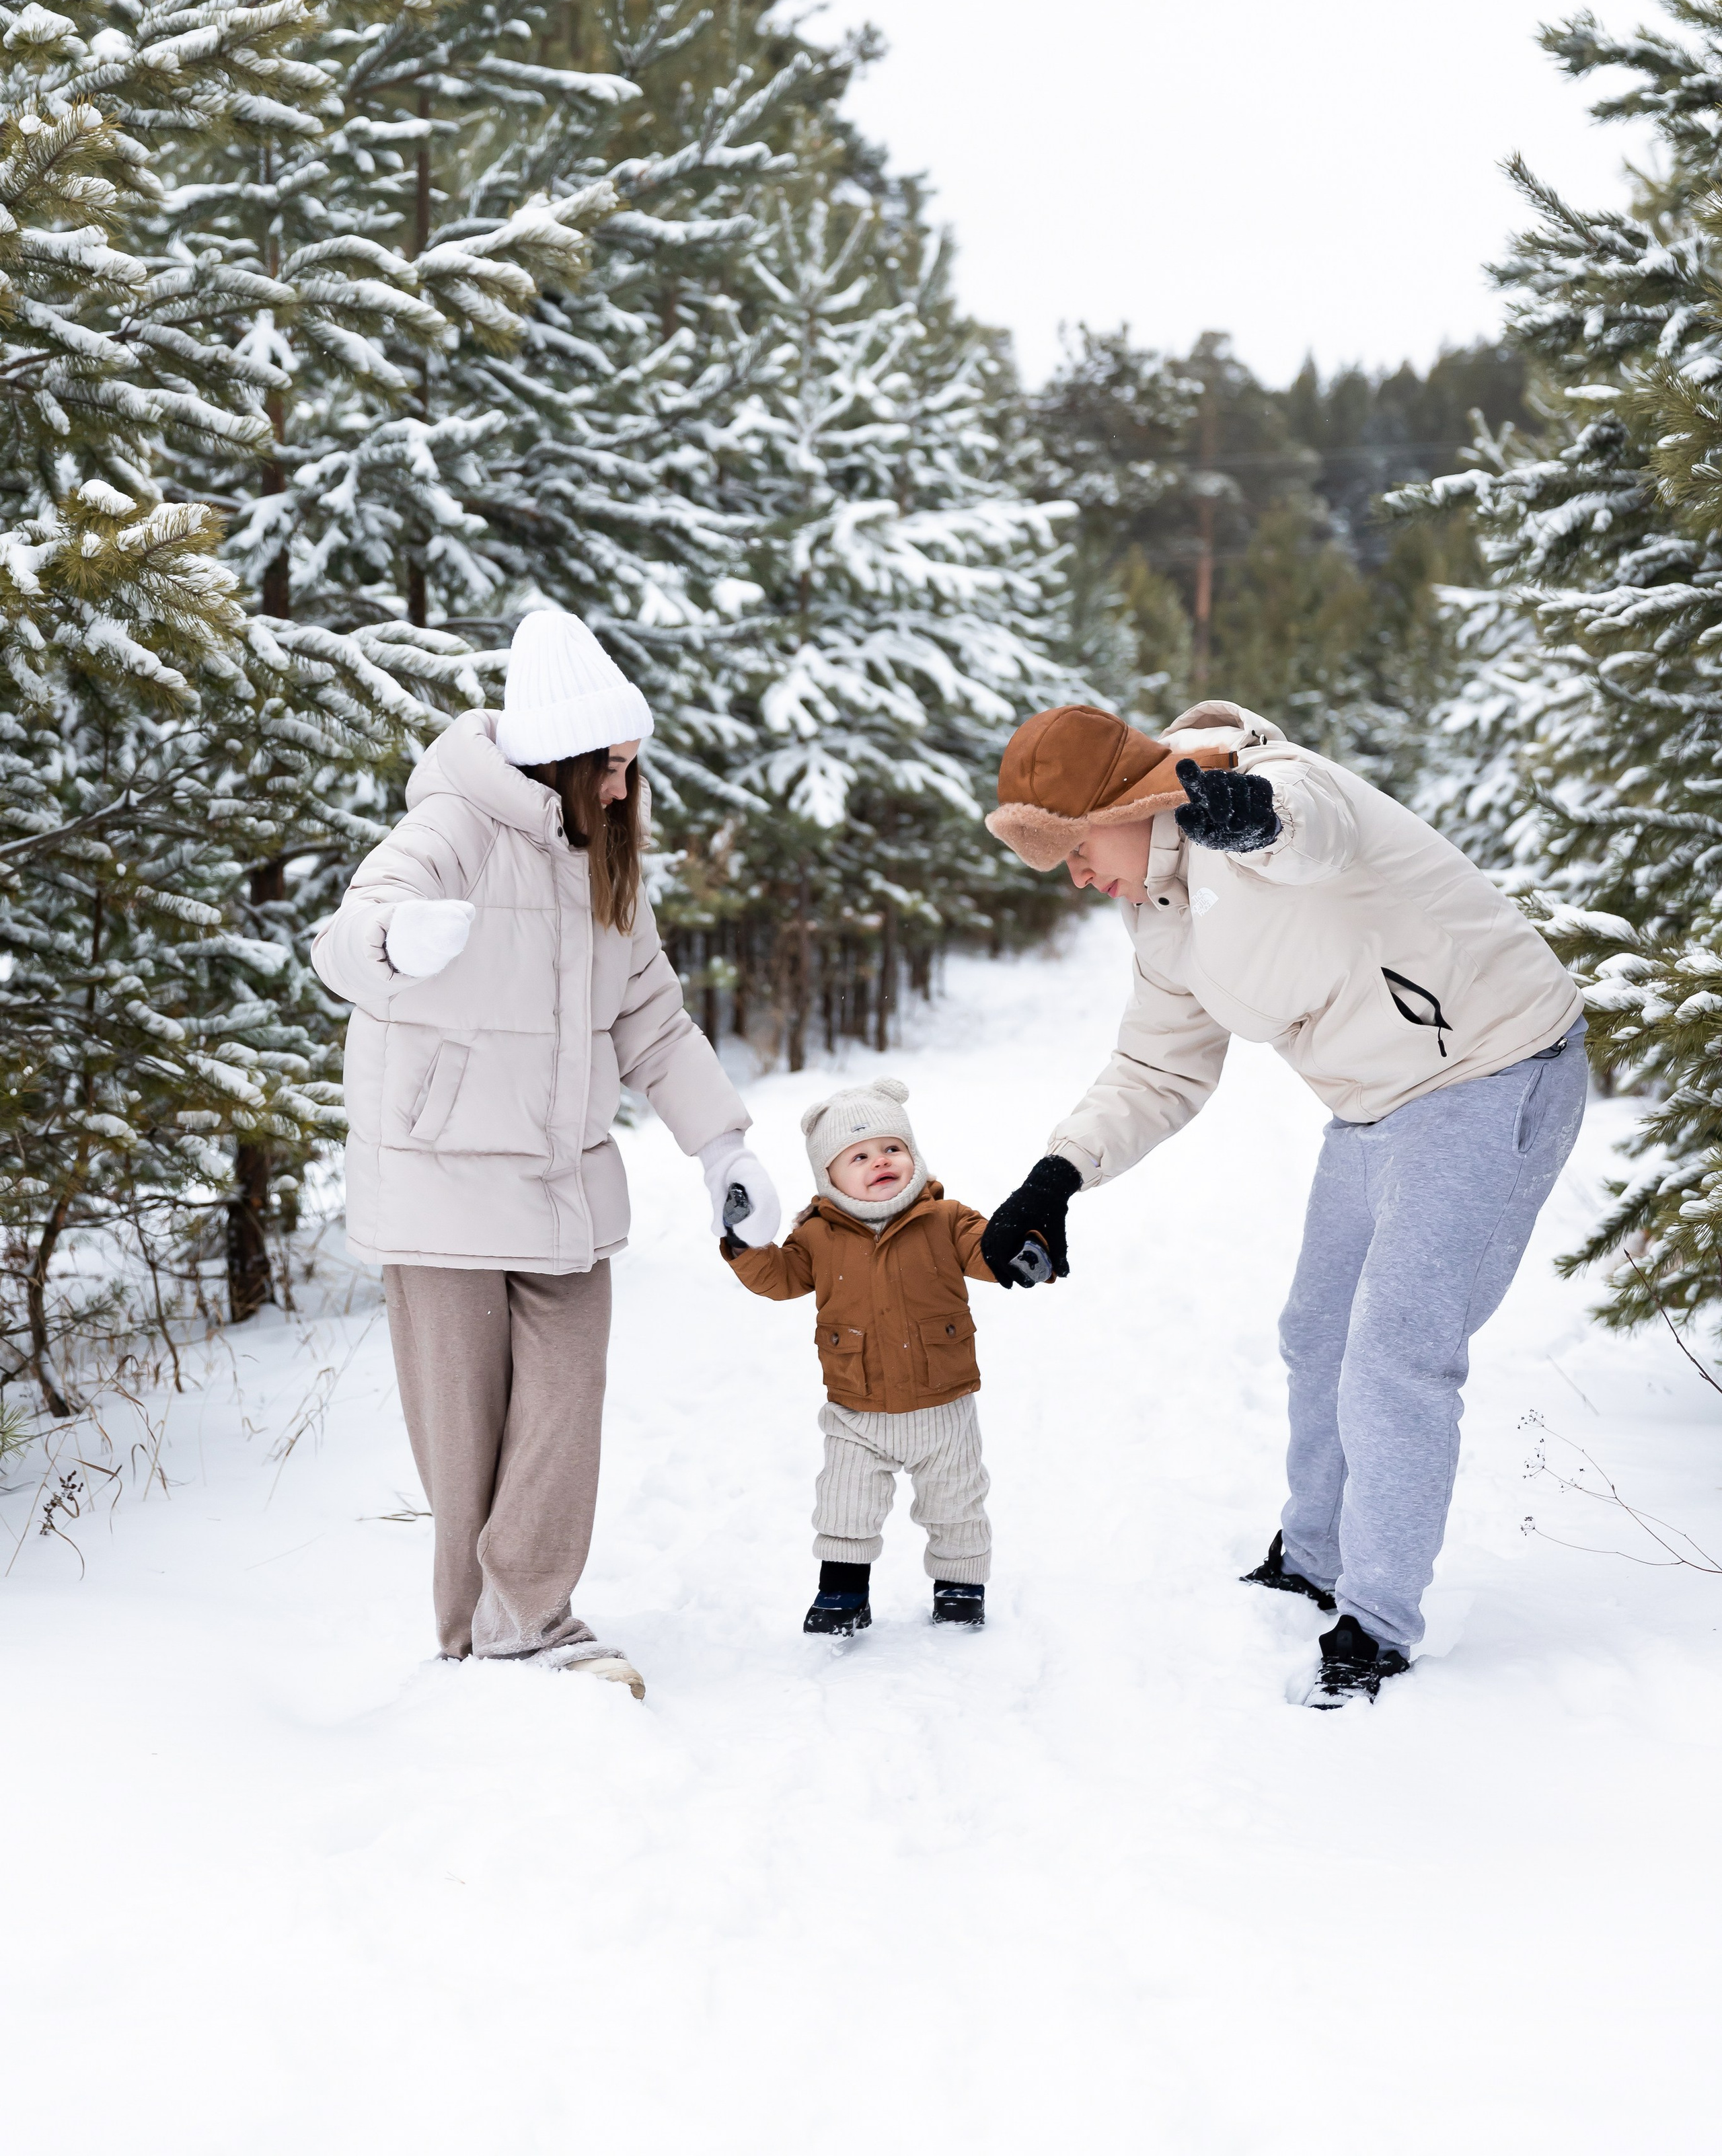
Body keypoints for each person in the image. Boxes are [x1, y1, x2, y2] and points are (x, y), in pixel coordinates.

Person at [979, 699, 1586, 1709]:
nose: (1079, 877)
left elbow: (1313, 824)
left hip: (1492, 1069)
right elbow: (1155, 1066)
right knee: (1316, 1332)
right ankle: (1313, 1556)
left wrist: (1252, 815)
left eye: (1080, 849)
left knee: (1397, 1349)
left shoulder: (1262, 785)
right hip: (1371, 1107)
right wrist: (1056, 1177)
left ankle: (1380, 1621)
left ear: (1133, 804)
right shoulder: (1161, 916)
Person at [311, 607, 782, 1696]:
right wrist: (394, 940)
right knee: (463, 1435)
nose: (623, 789)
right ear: (559, 758)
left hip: (561, 1185)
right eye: (609, 768)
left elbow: (654, 1022)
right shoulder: (450, 829)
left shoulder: (607, 866)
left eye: (631, 768)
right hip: (443, 1184)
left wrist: (722, 1147)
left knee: (565, 1405)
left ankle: (523, 1614)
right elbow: (345, 938)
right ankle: (486, 1633)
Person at [720, 1077, 1011, 1638]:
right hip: (859, 1407)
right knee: (845, 1503)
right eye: (859, 1155)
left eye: (892, 1148)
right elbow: (781, 1279)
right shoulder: (818, 1236)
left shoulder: (947, 1218)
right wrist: (745, 1243)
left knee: (957, 1501)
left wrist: (1019, 1250)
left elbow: (987, 1250)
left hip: (942, 1403)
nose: (881, 1160)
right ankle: (843, 1593)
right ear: (828, 1176)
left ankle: (959, 1587)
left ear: (913, 1156)